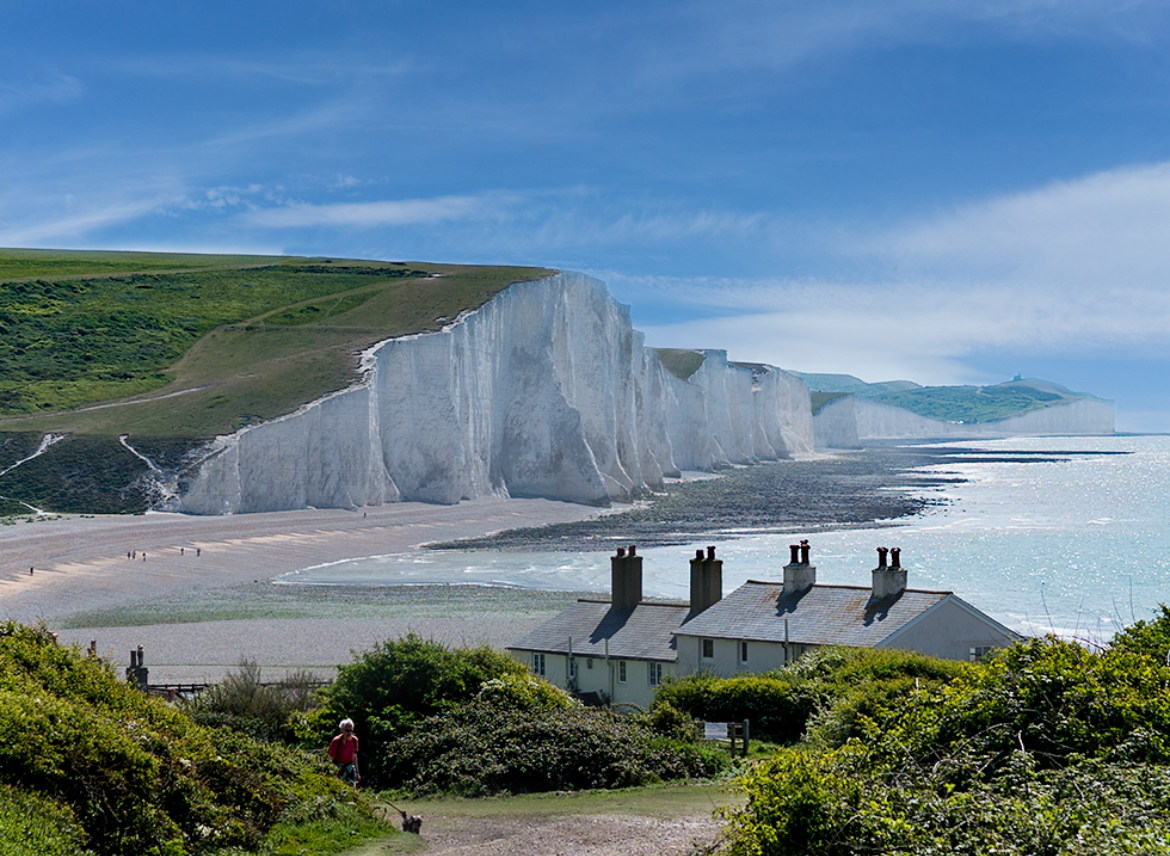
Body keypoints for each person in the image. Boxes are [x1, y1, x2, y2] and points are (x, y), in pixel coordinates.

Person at [328, 718, 360, 786]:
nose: (349, 733)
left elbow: (354, 756)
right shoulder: (336, 741)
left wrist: (357, 772)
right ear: (342, 730)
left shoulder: (354, 740)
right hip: (338, 768)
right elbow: (331, 758)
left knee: (351, 787)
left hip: (349, 768)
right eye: (347, 730)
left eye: (351, 730)